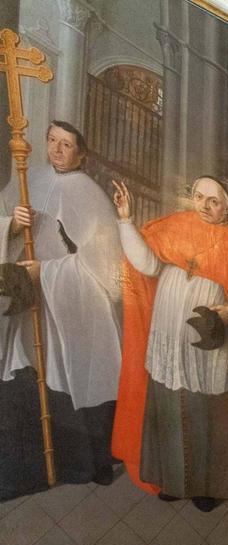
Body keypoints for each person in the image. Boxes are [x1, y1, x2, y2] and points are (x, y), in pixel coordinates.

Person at [111, 176, 228, 511]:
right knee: (171, 407)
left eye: (214, 200)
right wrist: (125, 220)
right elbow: (146, 264)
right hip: (169, 341)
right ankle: (174, 481)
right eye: (199, 197)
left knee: (213, 414)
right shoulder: (176, 226)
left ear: (227, 207)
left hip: (213, 349)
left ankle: (211, 487)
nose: (205, 205)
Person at [0, 121, 124, 499]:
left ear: (81, 154)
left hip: (75, 305)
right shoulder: (28, 177)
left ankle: (88, 462)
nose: (56, 150)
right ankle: (31, 462)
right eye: (52, 141)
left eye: (66, 145)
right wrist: (10, 225)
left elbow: (105, 268)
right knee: (29, 373)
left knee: (74, 379)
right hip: (30, 298)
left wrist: (48, 273)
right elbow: (2, 220)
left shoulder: (90, 194)